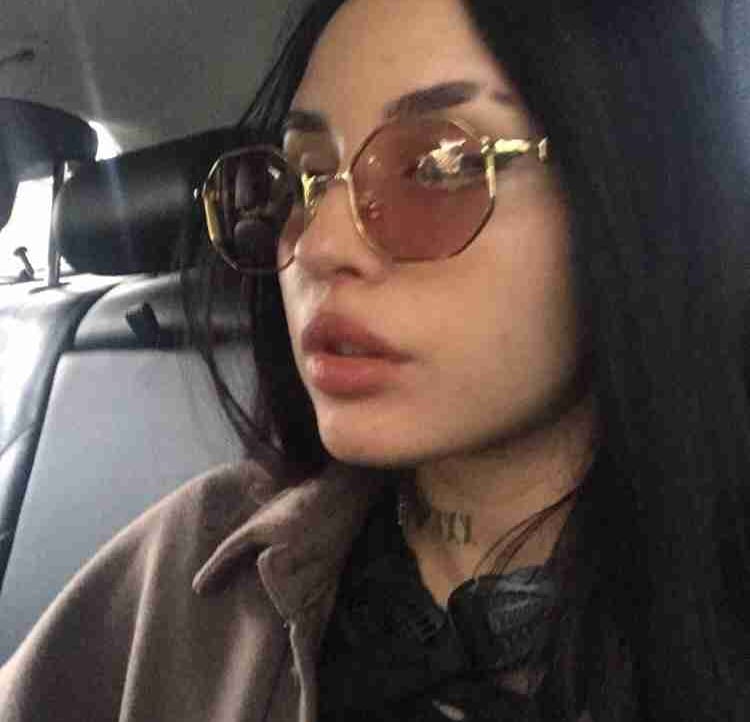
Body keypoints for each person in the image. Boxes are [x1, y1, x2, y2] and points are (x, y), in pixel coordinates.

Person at [2, 0, 750, 720]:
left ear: (634, 191)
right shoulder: (192, 567)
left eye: (436, 166)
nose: (316, 244)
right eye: (299, 177)